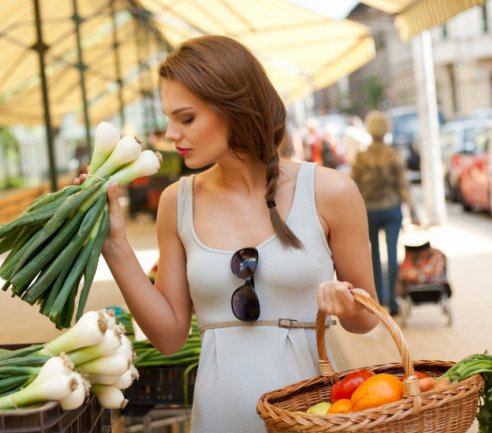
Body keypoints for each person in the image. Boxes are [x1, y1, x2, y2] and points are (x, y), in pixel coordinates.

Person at [83, 35, 379, 433]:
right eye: (170, 118)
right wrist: (114, 246)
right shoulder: (177, 201)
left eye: (186, 118)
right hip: (218, 419)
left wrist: (348, 306)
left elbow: (368, 320)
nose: (171, 133)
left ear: (234, 109)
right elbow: (169, 338)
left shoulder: (331, 192)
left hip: (314, 418)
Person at [350, 110, 415, 316]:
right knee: (393, 252)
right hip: (392, 209)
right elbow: (402, 186)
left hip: (369, 211)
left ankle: (378, 299)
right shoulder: (394, 155)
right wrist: (414, 211)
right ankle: (393, 302)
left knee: (374, 255)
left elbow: (353, 186)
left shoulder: (361, 157)